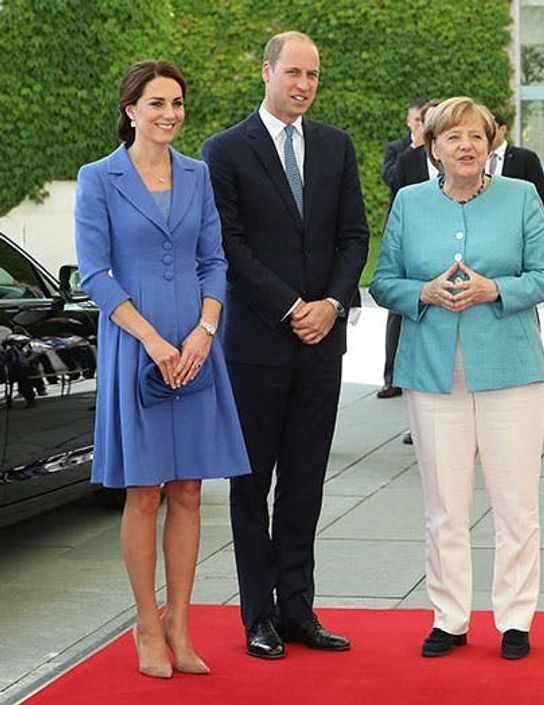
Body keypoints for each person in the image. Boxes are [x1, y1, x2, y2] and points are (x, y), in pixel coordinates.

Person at [74, 60, 251, 678]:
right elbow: (95, 272)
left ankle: (180, 622)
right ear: (130, 110)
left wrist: (203, 333)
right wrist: (154, 342)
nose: (170, 114)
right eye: (156, 103)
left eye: (177, 102)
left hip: (197, 346)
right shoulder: (99, 178)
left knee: (189, 488)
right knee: (145, 491)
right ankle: (145, 627)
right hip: (136, 345)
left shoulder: (197, 175)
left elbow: (214, 260)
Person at [369, 97, 544, 660]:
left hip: (510, 370)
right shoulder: (408, 203)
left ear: (490, 143)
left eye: (476, 136)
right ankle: (449, 617)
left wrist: (495, 288)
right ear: (433, 149)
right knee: (444, 505)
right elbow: (384, 281)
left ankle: (516, 619)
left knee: (516, 503)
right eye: (453, 138)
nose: (467, 147)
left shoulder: (521, 197)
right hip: (432, 372)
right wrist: (422, 293)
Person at [201, 31, 369, 660]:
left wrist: (330, 303)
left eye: (314, 75)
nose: (304, 84)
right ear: (267, 72)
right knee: (251, 485)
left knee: (306, 482)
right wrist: (292, 306)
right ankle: (258, 615)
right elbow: (230, 244)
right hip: (257, 347)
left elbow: (354, 235)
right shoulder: (223, 151)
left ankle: (298, 609)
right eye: (294, 72)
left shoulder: (335, 146)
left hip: (322, 345)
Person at [378, 98, 442, 402]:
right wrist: (413, 148)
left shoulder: (454, 157)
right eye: (420, 121)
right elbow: (392, 186)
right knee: (399, 311)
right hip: (410, 242)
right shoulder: (404, 155)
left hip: (442, 245)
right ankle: (393, 376)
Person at [486, 111, 544, 209]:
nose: (488, 134)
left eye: (491, 129)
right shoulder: (475, 159)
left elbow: (542, 198)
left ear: (502, 129)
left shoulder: (526, 158)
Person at [381, 98, 426, 191]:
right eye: (417, 120)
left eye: (425, 120)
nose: (421, 124)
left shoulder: (439, 147)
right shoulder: (395, 148)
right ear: (409, 121)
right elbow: (391, 179)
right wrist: (413, 147)